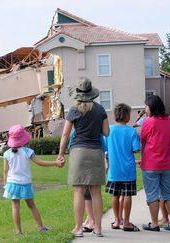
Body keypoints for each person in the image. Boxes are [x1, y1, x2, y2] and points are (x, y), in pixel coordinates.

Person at [57, 77, 109, 237]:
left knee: (78, 191)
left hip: (78, 152)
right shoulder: (100, 110)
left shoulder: (73, 110)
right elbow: (106, 133)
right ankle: (98, 228)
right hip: (96, 152)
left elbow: (65, 133)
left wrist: (60, 154)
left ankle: (79, 228)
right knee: (96, 192)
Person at [3, 124, 63, 235]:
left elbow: (5, 171)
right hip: (25, 184)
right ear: (23, 139)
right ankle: (41, 227)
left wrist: (5, 184)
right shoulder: (27, 151)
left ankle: (18, 231)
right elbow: (40, 163)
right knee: (31, 206)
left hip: (12, 184)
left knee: (15, 207)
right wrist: (55, 163)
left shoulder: (7, 154)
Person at [140, 95, 170, 232]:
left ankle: (155, 224)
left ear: (151, 107)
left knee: (152, 195)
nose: (145, 109)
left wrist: (143, 157)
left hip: (151, 163)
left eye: (146, 106)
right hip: (167, 163)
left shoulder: (147, 122)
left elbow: (143, 142)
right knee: (168, 194)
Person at [105, 103, 141, 232]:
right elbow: (136, 149)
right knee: (127, 195)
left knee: (115, 195)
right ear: (126, 116)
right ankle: (126, 222)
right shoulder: (131, 131)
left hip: (114, 170)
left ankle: (116, 220)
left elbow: (105, 148)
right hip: (128, 169)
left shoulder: (109, 130)